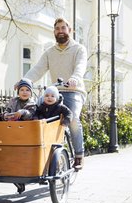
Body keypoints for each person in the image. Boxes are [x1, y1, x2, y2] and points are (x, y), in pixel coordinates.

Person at [22, 17, 87, 169]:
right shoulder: (49, 52)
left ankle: (79, 155)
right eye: (57, 28)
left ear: (70, 30)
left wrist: (74, 79)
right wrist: (24, 81)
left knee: (72, 119)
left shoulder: (79, 49)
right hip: (55, 92)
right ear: (54, 32)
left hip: (74, 91)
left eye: (63, 28)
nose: (60, 31)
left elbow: (80, 67)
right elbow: (37, 69)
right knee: (38, 117)